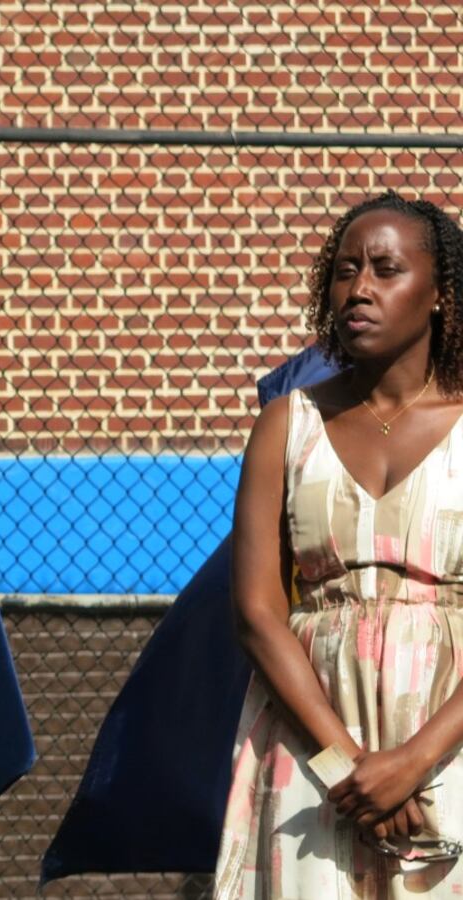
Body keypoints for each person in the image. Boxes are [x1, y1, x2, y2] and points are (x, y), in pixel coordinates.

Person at [217, 193, 463, 896]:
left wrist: (412, 761)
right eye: (345, 270)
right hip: (312, 744)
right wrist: (346, 765)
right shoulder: (285, 425)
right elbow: (257, 614)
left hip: (449, 737)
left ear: (440, 295)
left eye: (386, 269)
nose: (359, 289)